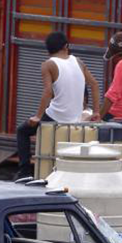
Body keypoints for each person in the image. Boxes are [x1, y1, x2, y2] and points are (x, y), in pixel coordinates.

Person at [15, 32, 101, 179]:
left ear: (48, 49)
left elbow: (48, 91)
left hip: (56, 116)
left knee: (22, 131)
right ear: (66, 46)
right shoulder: (79, 62)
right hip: (76, 118)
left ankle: (24, 173)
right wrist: (97, 112)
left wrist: (38, 116)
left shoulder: (48, 65)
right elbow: (94, 84)